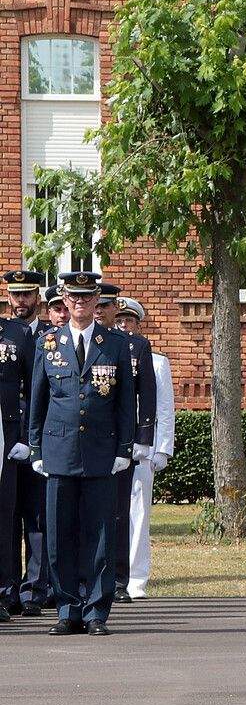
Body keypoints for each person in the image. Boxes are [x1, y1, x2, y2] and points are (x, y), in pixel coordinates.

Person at [29, 271, 136, 636]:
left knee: (101, 534)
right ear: (63, 299)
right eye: (73, 297)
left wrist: (124, 448)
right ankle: (66, 609)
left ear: (96, 302)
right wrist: (36, 447)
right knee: (59, 534)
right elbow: (38, 401)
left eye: (87, 297)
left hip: (100, 452)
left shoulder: (116, 344)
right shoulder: (48, 343)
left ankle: (95, 613)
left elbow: (125, 404)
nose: (79, 303)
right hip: (58, 450)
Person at [95, 284, 155, 603]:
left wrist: (142, 440)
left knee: (118, 512)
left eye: (108, 306)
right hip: (87, 439)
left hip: (119, 440)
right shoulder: (76, 341)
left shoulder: (134, 346)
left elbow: (147, 395)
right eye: (99, 305)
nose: (103, 311)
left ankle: (119, 579)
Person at [117, 298, 174, 599]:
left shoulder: (155, 361)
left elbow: (163, 408)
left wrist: (161, 448)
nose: (124, 325)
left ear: (139, 324)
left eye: (129, 320)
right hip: (115, 447)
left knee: (138, 515)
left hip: (143, 449)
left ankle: (136, 579)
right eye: (120, 320)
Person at [6, 272, 50, 618]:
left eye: (27, 295)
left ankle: (34, 588)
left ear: (38, 298)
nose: (21, 301)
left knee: (36, 516)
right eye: (15, 295)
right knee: (7, 515)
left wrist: (34, 440)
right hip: (7, 437)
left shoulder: (50, 336)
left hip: (34, 438)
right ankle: (8, 588)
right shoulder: (6, 335)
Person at [0, 273, 39, 622]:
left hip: (6, 437)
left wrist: (26, 438)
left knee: (6, 516)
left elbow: (33, 389)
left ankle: (4, 592)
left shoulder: (16, 334)